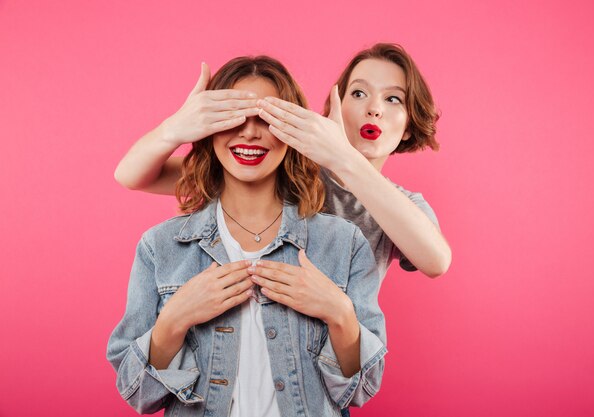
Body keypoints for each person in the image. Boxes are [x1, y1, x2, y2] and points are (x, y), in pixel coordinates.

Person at [106, 56, 386, 417]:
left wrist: (341, 315)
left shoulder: (342, 243)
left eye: (266, 119)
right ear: (207, 128)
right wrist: (174, 320)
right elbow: (137, 393)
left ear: (291, 130)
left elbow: (362, 389)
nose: (250, 133)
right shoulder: (160, 248)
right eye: (234, 117)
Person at [113, 43, 451, 284]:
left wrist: (345, 158)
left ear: (409, 127)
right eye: (359, 93)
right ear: (336, 105)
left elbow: (436, 261)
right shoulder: (290, 166)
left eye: (393, 99)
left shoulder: (405, 207)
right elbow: (133, 175)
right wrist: (175, 128)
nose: (373, 108)